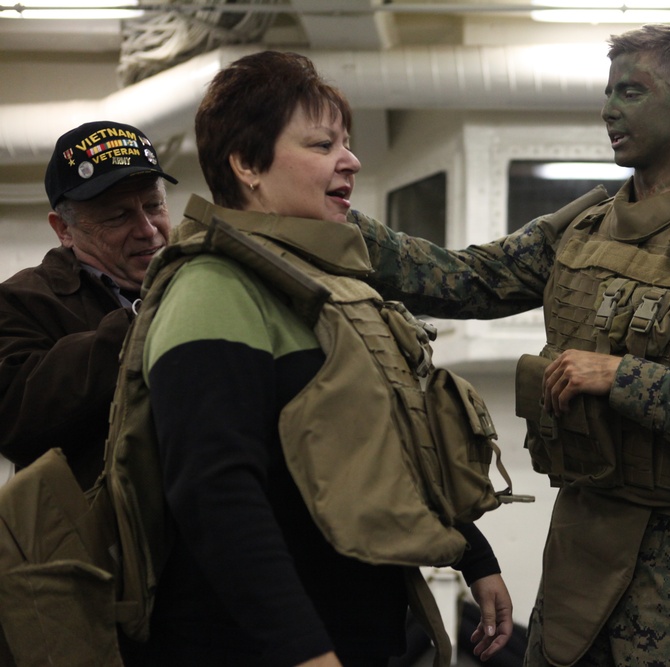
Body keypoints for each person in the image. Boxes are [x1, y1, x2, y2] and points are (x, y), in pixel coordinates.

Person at [352, 24, 670, 666]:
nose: (609, 109)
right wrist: (335, 224)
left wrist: (623, 377)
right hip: (576, 562)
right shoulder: (584, 229)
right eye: (608, 91)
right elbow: (468, 279)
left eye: (631, 91)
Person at [132, 50, 513, 667]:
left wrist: (475, 557)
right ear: (247, 165)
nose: (351, 161)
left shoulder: (325, 289)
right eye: (321, 145)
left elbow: (381, 449)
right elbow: (214, 495)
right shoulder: (213, 289)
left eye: (347, 143)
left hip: (356, 632)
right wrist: (304, 652)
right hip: (256, 647)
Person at [0, 120, 175, 488]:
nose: (147, 228)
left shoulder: (200, 276)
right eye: (118, 215)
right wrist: (142, 322)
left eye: (153, 205)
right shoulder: (20, 301)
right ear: (63, 230)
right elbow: (15, 419)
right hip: (101, 541)